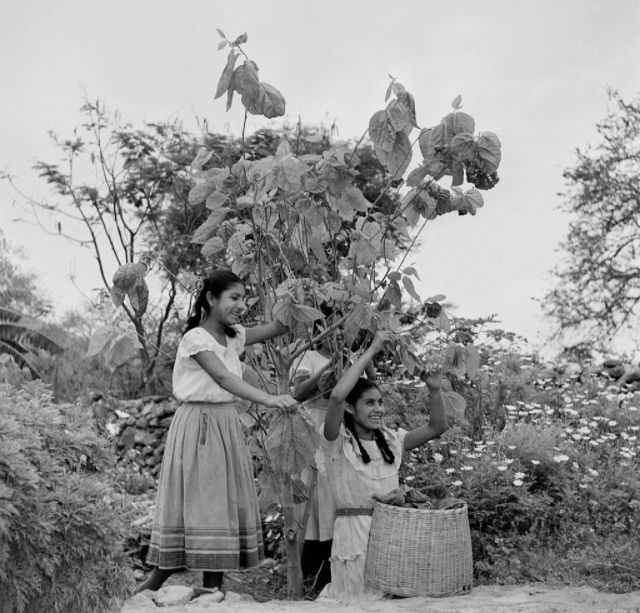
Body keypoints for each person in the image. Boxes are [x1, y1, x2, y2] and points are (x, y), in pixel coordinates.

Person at [138, 270, 297, 594]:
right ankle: (152, 586)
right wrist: (269, 399)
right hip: (200, 425)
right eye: (234, 298)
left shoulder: (235, 335)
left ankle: (213, 594)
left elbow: (280, 326)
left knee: (221, 505)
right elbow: (224, 378)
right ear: (211, 299)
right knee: (202, 503)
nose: (241, 304)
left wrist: (293, 293)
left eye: (243, 298)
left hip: (224, 424)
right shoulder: (196, 338)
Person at [319, 330, 449, 603]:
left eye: (380, 402)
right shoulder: (336, 441)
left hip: (391, 533)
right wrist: (372, 349)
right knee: (358, 601)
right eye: (369, 403)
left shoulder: (391, 440)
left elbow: (437, 426)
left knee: (393, 599)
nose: (378, 408)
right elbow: (336, 397)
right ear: (352, 409)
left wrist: (435, 389)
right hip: (353, 537)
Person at [290, 340, 335, 592]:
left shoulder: (354, 357)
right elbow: (299, 392)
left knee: (337, 497)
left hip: (344, 426)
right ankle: (310, 574)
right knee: (315, 498)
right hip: (314, 426)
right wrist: (331, 367)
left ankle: (332, 570)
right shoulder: (307, 356)